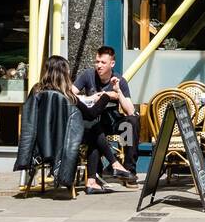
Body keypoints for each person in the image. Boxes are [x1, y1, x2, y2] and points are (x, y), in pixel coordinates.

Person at [39, 55, 134, 193]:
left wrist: (89, 98)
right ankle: (112, 167)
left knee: (92, 129)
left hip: (45, 140)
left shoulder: (39, 91)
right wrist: (106, 97)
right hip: (64, 141)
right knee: (94, 126)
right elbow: (91, 114)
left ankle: (95, 179)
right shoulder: (65, 95)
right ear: (63, 74)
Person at [74, 46, 139, 183]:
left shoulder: (119, 80)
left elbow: (130, 111)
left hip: (114, 122)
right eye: (97, 62)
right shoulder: (88, 75)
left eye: (103, 62)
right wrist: (91, 99)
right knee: (95, 128)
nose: (99, 66)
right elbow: (71, 94)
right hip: (95, 122)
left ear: (112, 64)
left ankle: (129, 171)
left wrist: (117, 92)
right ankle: (97, 173)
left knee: (131, 123)